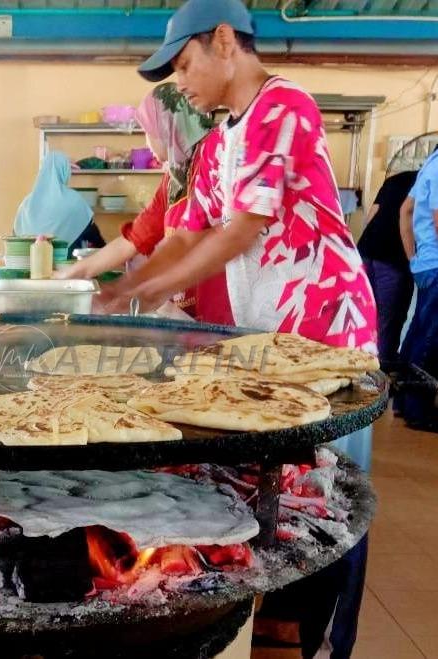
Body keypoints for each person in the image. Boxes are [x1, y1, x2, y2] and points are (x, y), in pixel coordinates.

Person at [112, 1, 378, 656]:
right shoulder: (219, 140)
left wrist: (143, 289)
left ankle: (318, 642)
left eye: (182, 64)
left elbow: (241, 229)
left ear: (223, 41)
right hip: (271, 342)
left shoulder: (284, 107)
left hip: (327, 336)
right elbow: (187, 233)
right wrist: (120, 294)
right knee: (279, 486)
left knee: (326, 499)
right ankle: (271, 631)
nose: (179, 82)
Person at [60, 83, 232, 325]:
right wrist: (74, 274)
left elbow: (214, 243)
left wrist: (131, 289)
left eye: (147, 132)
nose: (148, 145)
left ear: (166, 129)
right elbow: (135, 239)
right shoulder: (173, 181)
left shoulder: (217, 169)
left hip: (223, 314)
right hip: (187, 314)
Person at [357, 171, 418, 371]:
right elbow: (408, 216)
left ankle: (359, 371)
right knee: (388, 322)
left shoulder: (396, 179)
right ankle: (380, 379)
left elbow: (371, 215)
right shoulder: (430, 180)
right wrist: (414, 260)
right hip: (394, 257)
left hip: (366, 250)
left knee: (363, 316)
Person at [13, 151, 104, 254]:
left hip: (30, 264)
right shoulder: (74, 200)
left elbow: (15, 236)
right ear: (64, 172)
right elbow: (92, 234)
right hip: (65, 266)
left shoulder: (26, 203)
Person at [399, 150, 438, 376]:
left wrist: (413, 258)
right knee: (430, 340)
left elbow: (405, 210)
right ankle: (415, 407)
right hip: (434, 263)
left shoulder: (430, 164)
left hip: (426, 263)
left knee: (419, 332)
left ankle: (404, 400)